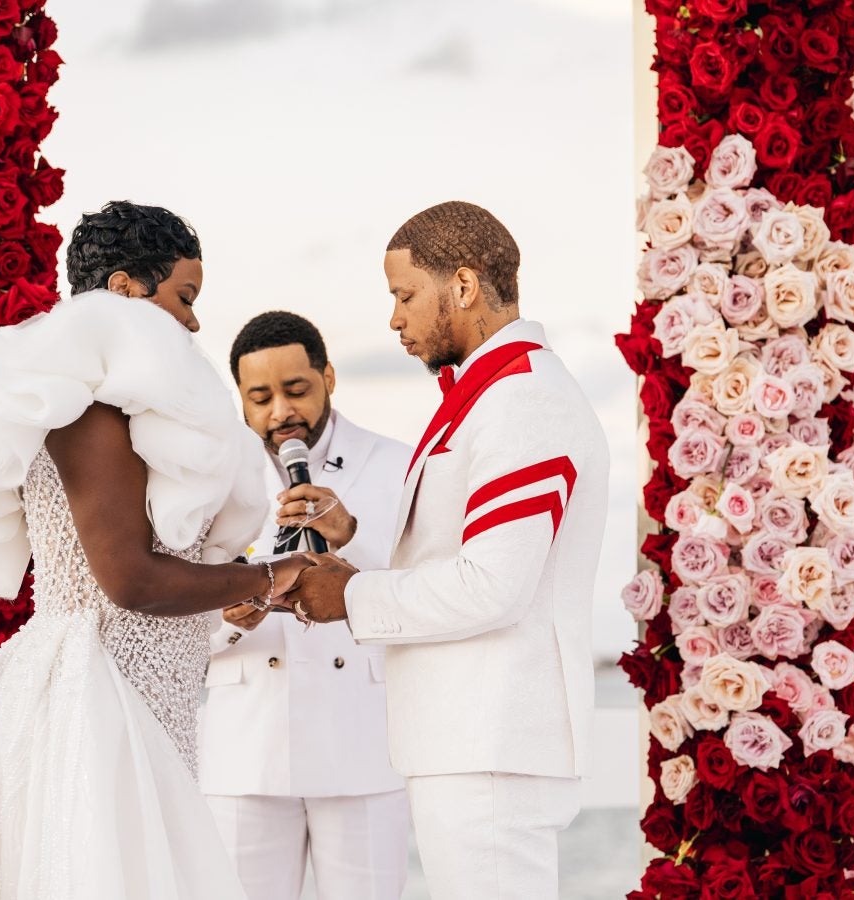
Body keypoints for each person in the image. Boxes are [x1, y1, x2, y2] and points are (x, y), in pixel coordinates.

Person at [0, 201, 309, 899]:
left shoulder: (125, 414)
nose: (195, 323)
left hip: (144, 702)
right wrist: (267, 576)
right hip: (95, 698)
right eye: (183, 297)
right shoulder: (84, 410)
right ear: (123, 292)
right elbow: (130, 580)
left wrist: (232, 591)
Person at [287, 201, 610, 899]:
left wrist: (349, 595)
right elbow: (453, 552)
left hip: (490, 743)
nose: (394, 319)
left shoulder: (525, 400)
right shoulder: (488, 395)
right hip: (467, 741)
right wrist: (353, 539)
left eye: (404, 295)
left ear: (462, 286)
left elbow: (493, 584)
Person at [199, 311, 410, 900]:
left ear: (329, 378)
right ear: (240, 401)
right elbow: (176, 602)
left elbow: (431, 588)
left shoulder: (397, 464)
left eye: (296, 390)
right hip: (246, 747)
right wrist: (227, 619)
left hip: (362, 741)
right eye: (260, 397)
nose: (280, 414)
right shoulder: (210, 476)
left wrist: (352, 536)